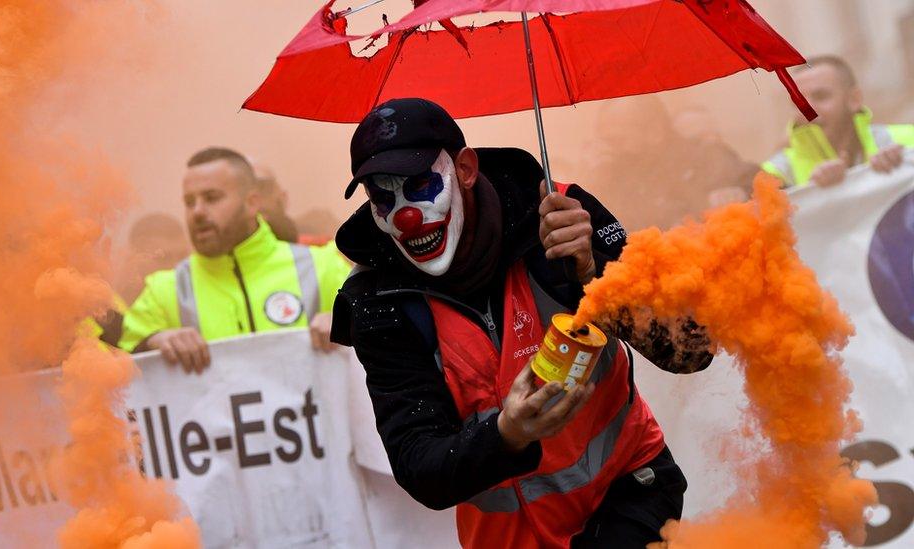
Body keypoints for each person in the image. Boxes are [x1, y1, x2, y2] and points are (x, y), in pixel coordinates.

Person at [331, 98, 714, 548]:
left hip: (628, 496)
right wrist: (505, 435)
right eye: (382, 196)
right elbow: (420, 467)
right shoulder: (379, 299)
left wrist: (595, 275)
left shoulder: (559, 213)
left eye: (419, 185)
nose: (407, 215)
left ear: (466, 170)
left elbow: (690, 351)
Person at [119, 147, 352, 371]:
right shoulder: (164, 290)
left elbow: (383, 332)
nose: (197, 211)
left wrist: (351, 325)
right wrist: (152, 343)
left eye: (212, 198)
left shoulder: (323, 267)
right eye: (189, 202)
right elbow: (118, 370)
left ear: (251, 203)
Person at [584, 96, 758, 230]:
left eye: (617, 140)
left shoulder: (703, 158)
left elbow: (771, 189)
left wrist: (741, 192)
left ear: (655, 132)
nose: (607, 149)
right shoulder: (609, 176)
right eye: (604, 140)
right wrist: (595, 182)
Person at [761, 55, 914, 188]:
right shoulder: (773, 174)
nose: (807, 110)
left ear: (854, 99)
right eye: (798, 101)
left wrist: (905, 166)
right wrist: (812, 194)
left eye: (821, 96)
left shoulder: (908, 139)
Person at [247, 160, 300, 243]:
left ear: (283, 198)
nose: (256, 198)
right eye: (246, 190)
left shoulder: (311, 249)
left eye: (263, 188)